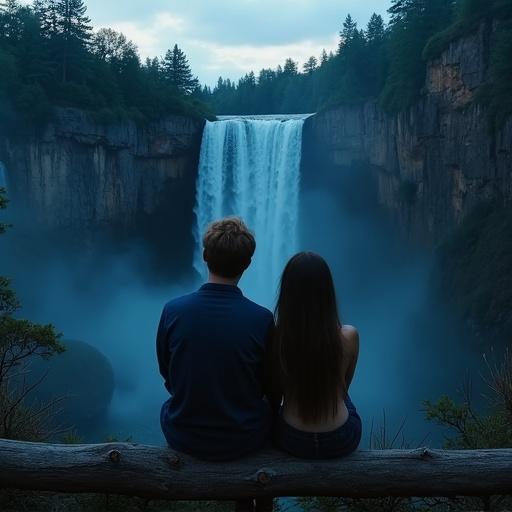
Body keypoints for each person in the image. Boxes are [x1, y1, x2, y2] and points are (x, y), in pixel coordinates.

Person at [270, 251, 361, 459]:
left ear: (286, 292)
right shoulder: (349, 336)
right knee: (344, 398)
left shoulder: (277, 337)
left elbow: (275, 393)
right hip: (340, 438)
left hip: (291, 438)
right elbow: (343, 388)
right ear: (327, 291)